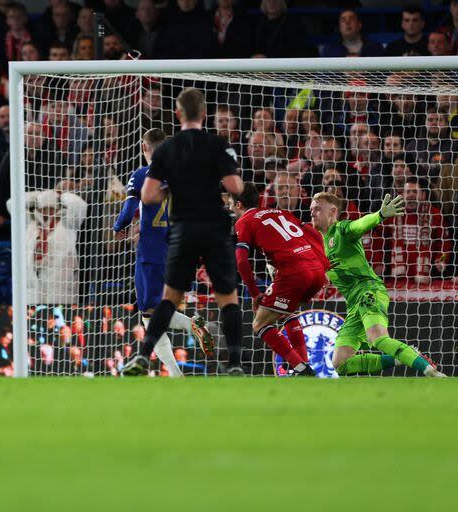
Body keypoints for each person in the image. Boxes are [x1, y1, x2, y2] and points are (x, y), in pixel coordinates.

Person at [122, 87, 244, 376]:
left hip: (183, 231)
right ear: (204, 114)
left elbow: (149, 195)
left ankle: (142, 356)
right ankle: (236, 364)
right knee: (228, 297)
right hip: (214, 229)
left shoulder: (166, 150)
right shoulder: (219, 145)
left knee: (168, 298)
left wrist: (172, 186)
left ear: (178, 114)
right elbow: (235, 187)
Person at [113, 128, 215, 378]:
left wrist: (118, 227)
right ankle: (175, 373)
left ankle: (190, 328)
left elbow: (128, 212)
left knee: (150, 314)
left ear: (143, 147)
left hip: (152, 251)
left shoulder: (141, 175)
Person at [309, 192, 444, 377]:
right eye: (311, 209)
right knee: (340, 363)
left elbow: (360, 225)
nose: (312, 213)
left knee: (379, 339)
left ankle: (432, 373)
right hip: (354, 305)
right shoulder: (317, 243)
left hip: (369, 291)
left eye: (317, 208)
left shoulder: (342, 230)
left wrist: (379, 215)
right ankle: (405, 355)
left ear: (332, 211)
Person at [230, 183, 329, 376]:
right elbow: (313, 232)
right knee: (286, 312)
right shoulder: (279, 212)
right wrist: (324, 264)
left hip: (295, 273)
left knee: (259, 324)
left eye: (231, 205)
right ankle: (302, 365)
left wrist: (254, 293)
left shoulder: (244, 221)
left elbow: (241, 261)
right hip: (316, 271)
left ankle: (300, 368)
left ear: (239, 205)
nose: (230, 209)